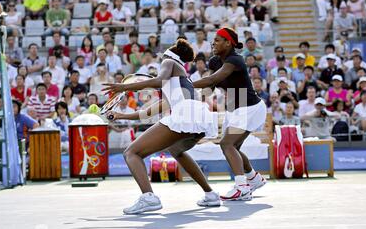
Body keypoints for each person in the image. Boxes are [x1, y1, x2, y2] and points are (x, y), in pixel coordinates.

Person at [104, 39, 220, 214]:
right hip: (198, 120)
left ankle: (149, 198)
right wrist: (122, 116)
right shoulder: (179, 83)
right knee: (176, 151)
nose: (161, 62)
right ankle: (211, 195)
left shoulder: (168, 61)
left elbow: (159, 81)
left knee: (131, 153)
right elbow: (151, 110)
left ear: (169, 54)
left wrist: (124, 87)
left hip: (186, 116)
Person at [193, 27, 268, 201]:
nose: (213, 43)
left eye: (218, 40)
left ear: (228, 43)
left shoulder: (236, 60)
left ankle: (242, 187)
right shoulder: (213, 62)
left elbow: (212, 79)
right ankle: (253, 179)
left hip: (249, 108)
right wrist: (195, 97)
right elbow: (211, 86)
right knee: (232, 147)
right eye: (213, 40)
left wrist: (186, 83)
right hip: (235, 109)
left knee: (226, 144)